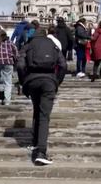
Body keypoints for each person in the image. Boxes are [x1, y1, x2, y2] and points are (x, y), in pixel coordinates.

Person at [17, 24, 67, 166]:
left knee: (36, 110)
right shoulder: (52, 44)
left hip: (32, 80)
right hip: (49, 81)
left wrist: (23, 81)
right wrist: (57, 81)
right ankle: (41, 152)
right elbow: (63, 65)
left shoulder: (28, 45)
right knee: (44, 115)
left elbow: (20, 65)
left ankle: (35, 143)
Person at [0, 29, 18, 105]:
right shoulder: (10, 43)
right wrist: (15, 59)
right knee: (8, 82)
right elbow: (16, 51)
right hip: (8, 62)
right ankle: (7, 101)